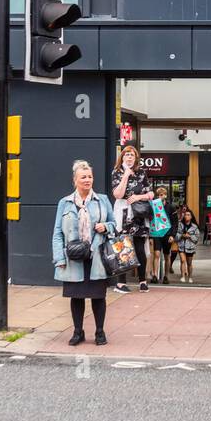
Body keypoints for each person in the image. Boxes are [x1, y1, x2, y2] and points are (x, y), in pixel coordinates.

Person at [53, 160, 115, 346]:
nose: (87, 180)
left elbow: (114, 225)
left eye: (89, 176)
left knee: (98, 296)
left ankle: (99, 332)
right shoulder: (64, 203)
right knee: (76, 296)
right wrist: (59, 258)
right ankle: (78, 332)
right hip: (74, 257)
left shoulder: (102, 200)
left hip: (97, 256)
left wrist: (106, 226)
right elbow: (57, 233)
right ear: (75, 180)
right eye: (83, 177)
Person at [111, 145, 154, 293]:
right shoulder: (117, 172)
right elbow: (117, 194)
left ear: (136, 158)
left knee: (140, 248)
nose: (129, 157)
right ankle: (121, 283)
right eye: (127, 154)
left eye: (132, 155)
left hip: (139, 213)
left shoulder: (141, 173)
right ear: (122, 157)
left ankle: (142, 281)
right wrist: (125, 176)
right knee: (123, 246)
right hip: (122, 213)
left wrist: (138, 197)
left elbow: (150, 194)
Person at [176, 207, 200, 283]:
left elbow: (197, 238)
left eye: (188, 215)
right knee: (183, 261)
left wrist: (189, 236)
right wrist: (182, 236)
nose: (187, 216)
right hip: (181, 246)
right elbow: (176, 235)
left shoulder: (194, 227)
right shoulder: (180, 224)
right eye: (185, 215)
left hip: (190, 247)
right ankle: (183, 276)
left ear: (191, 216)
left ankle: (190, 277)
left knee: (189, 263)